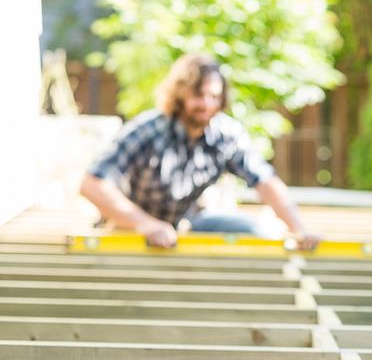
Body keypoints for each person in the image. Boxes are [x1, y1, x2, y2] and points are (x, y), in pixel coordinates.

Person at [80, 53, 316, 248]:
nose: (206, 104)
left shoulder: (226, 134)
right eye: (198, 95)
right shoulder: (148, 130)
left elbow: (265, 181)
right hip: (128, 228)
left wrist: (299, 229)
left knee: (255, 232)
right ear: (180, 94)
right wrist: (146, 224)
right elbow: (92, 184)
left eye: (213, 96)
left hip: (182, 227)